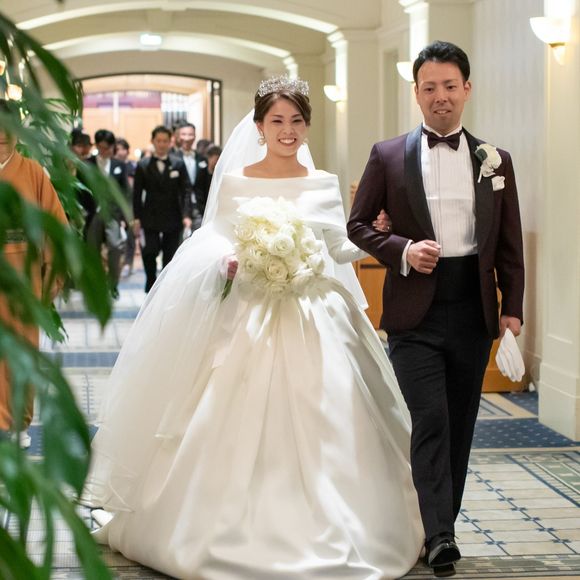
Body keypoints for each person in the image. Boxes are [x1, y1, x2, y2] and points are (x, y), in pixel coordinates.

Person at [82, 77, 424, 579]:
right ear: (260, 126)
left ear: (307, 125)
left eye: (296, 121)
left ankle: (336, 521)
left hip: (314, 311)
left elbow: (336, 247)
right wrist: (229, 261)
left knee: (331, 408)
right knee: (227, 409)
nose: (288, 130)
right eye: (277, 121)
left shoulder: (322, 183)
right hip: (249, 313)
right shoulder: (237, 180)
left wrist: (376, 237)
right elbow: (215, 240)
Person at [347, 41, 525, 577]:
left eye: (450, 86)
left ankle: (439, 525)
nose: (440, 96)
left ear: (466, 89)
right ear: (417, 93)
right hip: (414, 311)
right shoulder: (387, 155)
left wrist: (513, 310)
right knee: (430, 419)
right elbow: (357, 226)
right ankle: (441, 535)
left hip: (472, 307)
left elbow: (510, 243)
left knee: (461, 423)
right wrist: (401, 249)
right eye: (430, 88)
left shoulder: (495, 160)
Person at [0, 99, 68, 448]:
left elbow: (55, 226)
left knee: (21, 352)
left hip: (23, 279)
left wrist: (53, 272)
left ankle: (17, 423)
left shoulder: (33, 173)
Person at [132, 125, 194, 292]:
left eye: (165, 141)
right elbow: (137, 194)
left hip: (173, 215)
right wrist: (136, 218)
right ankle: (151, 282)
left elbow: (186, 190)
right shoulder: (143, 165)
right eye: (158, 141)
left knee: (170, 254)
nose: (161, 144)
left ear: (170, 142)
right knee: (149, 251)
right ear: (153, 141)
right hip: (149, 216)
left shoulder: (178, 163)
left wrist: (186, 214)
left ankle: (166, 287)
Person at [86, 129, 130, 299]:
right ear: (97, 146)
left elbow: (125, 193)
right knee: (92, 250)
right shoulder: (87, 164)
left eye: (108, 148)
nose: (105, 151)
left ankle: (113, 284)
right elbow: (81, 190)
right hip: (92, 213)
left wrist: (124, 217)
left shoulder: (119, 165)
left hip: (112, 214)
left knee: (115, 247)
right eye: (101, 147)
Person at [174, 121, 206, 230]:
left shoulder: (201, 159)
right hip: (178, 208)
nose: (187, 138)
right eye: (184, 134)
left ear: (195, 136)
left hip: (199, 206)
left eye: (190, 134)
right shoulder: (172, 158)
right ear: (178, 136)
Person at [115, 138, 137, 275]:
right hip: (115, 204)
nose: (120, 152)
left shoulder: (132, 166)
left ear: (127, 151)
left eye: (122, 149)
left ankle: (128, 263)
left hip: (130, 205)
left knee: (130, 235)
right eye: (117, 149)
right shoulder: (112, 165)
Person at [193, 144, 222, 218]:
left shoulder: (220, 174)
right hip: (203, 210)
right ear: (209, 158)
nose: (218, 162)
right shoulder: (202, 172)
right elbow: (198, 193)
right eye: (216, 159)